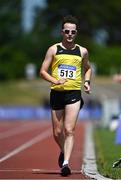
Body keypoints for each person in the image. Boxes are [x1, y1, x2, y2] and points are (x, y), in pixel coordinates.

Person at [40, 15, 92, 176]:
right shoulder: (53, 49)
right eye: (67, 31)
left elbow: (88, 68)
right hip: (56, 93)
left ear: (76, 33)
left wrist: (87, 82)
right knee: (57, 132)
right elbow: (42, 71)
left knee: (69, 130)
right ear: (62, 32)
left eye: (73, 32)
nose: (70, 34)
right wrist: (55, 80)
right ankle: (63, 151)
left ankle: (66, 164)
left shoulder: (82, 51)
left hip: (74, 93)